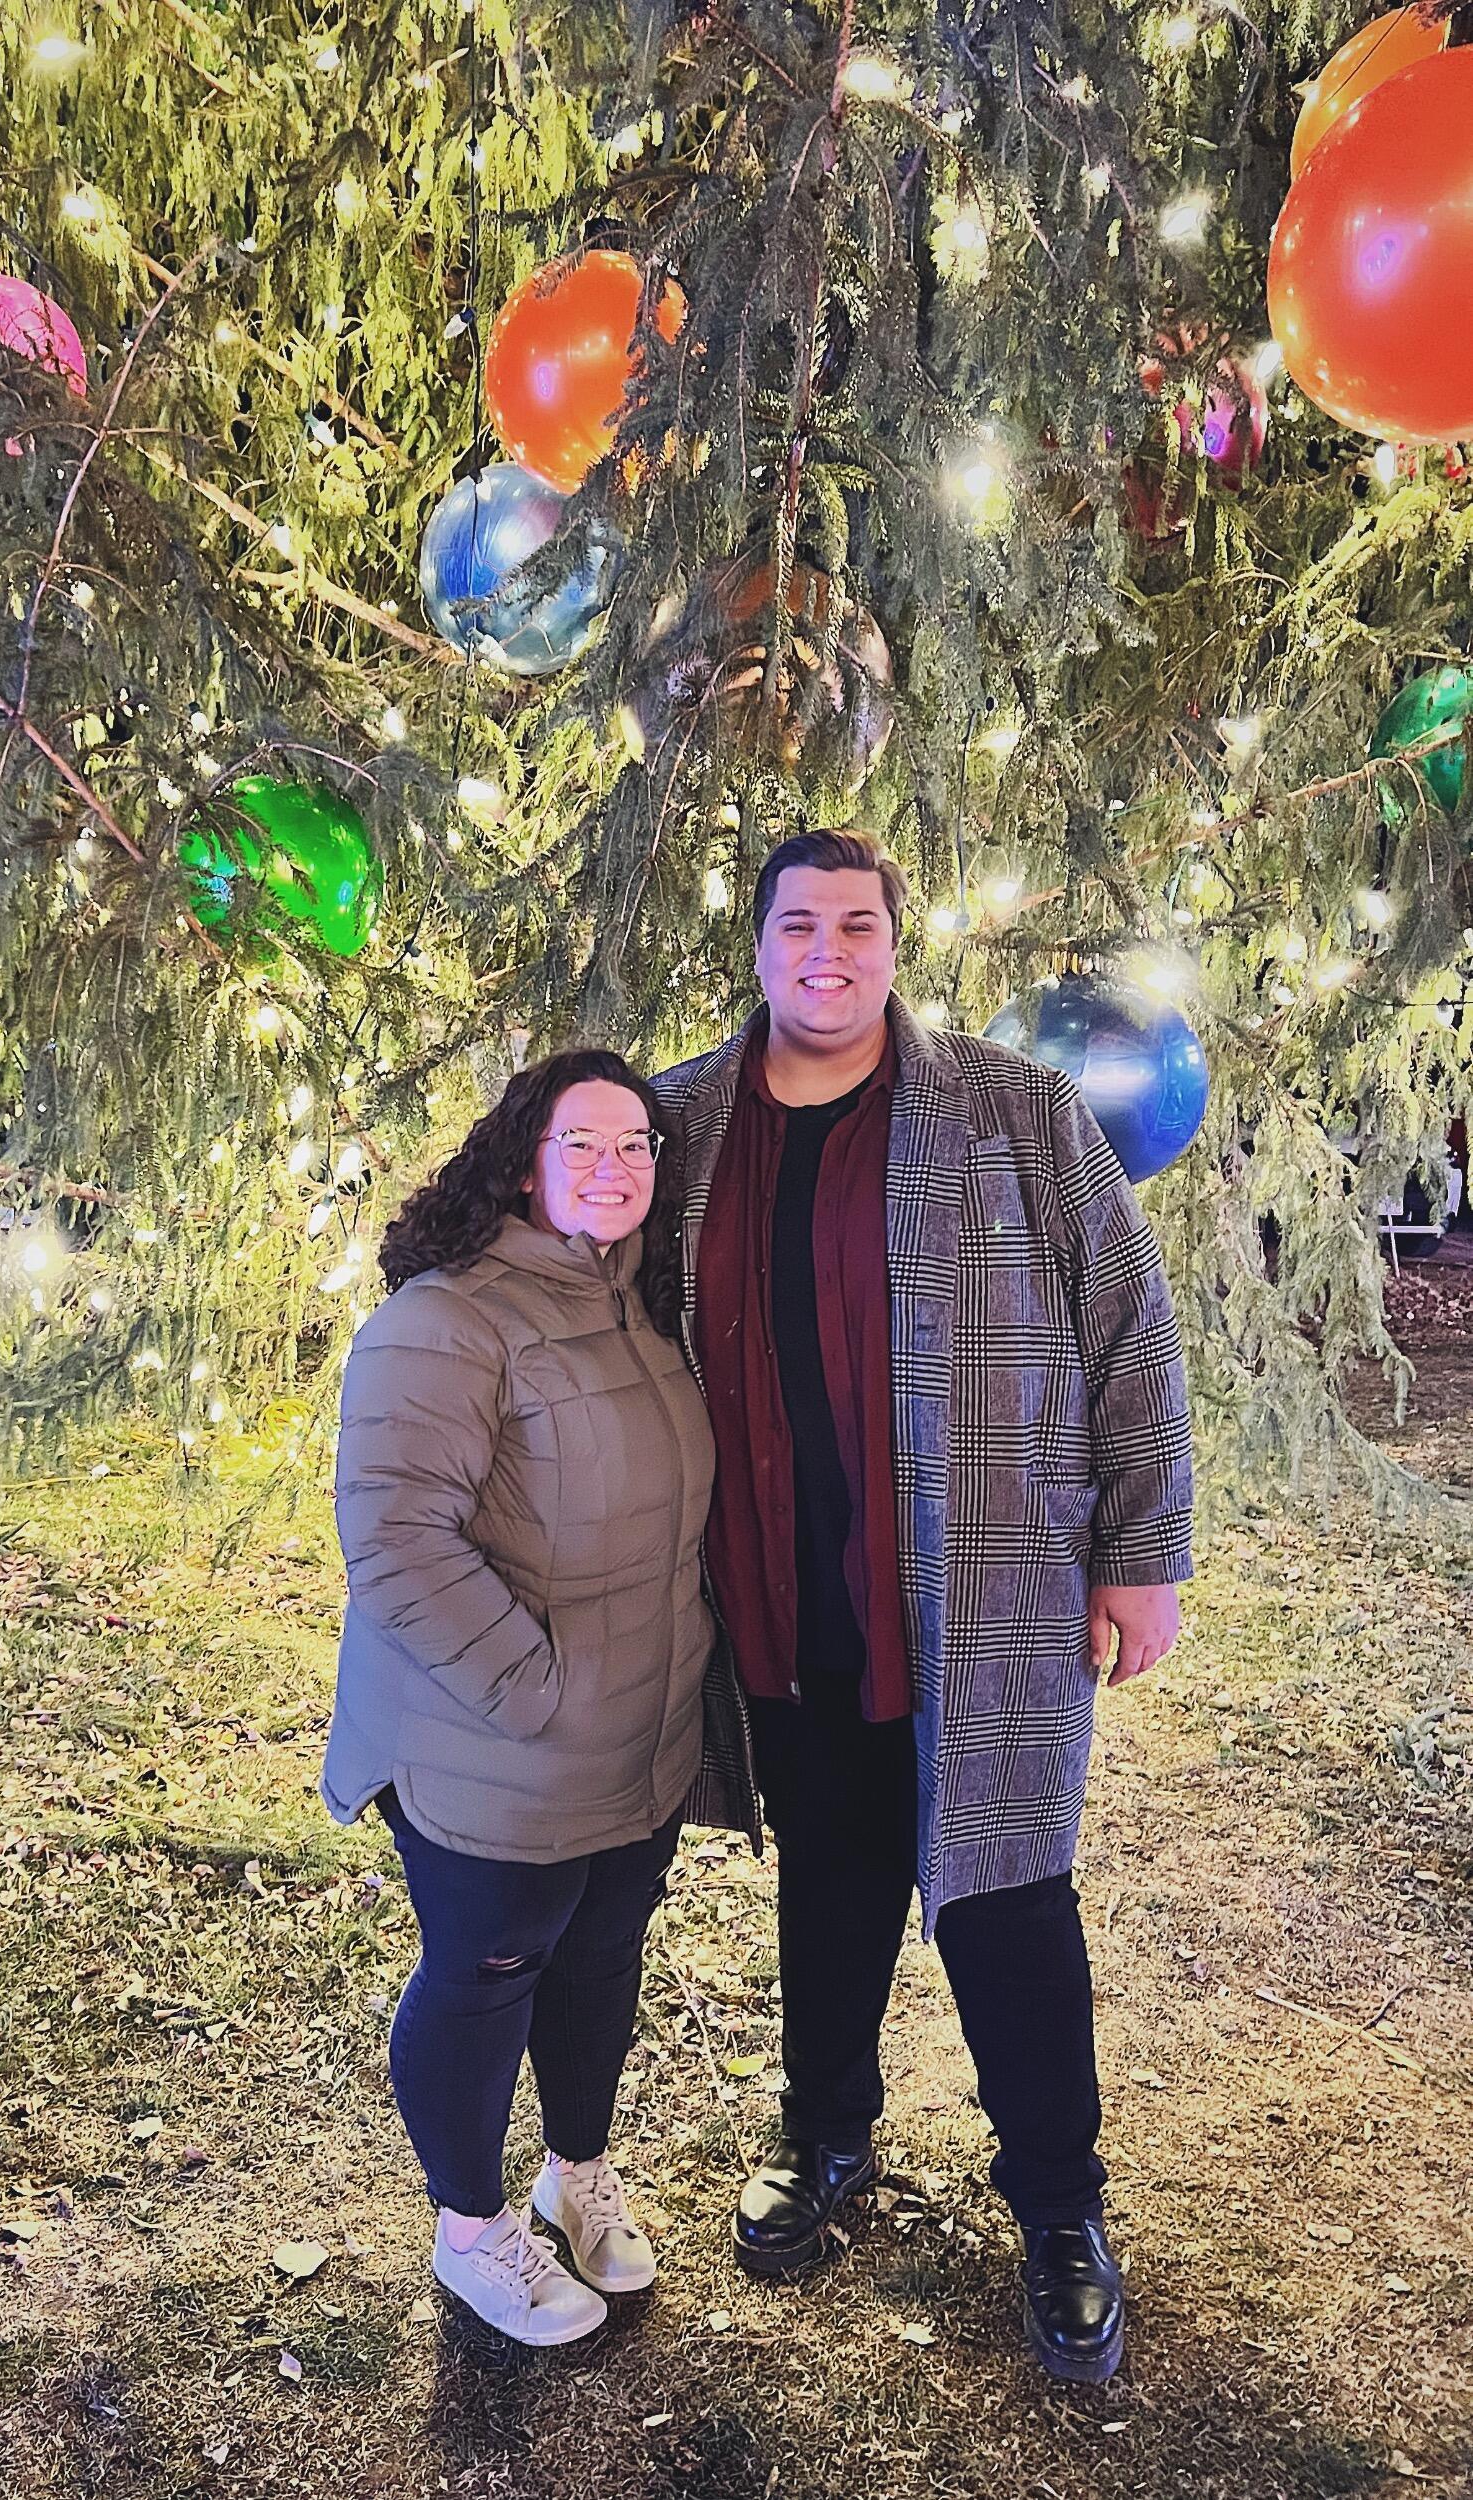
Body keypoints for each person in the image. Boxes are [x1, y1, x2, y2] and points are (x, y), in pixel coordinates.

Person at [656, 828, 1194, 2385]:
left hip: (990, 1587)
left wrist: (1142, 1550)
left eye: (859, 924)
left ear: (899, 944)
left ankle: (1061, 2206)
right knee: (828, 1875)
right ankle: (826, 2138)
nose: (829, 951)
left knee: (1008, 1896)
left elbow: (1129, 1326)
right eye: (798, 924)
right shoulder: (685, 1123)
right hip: (779, 1585)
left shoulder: (1011, 1110)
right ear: (755, 945)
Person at [322, 1049, 716, 2346]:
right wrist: (535, 1693)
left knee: (600, 1956)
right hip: (490, 1739)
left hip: (634, 1735)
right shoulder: (446, 1320)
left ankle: (575, 2176)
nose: (615, 1170)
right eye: (583, 1144)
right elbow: (395, 1543)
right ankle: (470, 2229)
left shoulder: (637, 1310)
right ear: (523, 1159)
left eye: (636, 1147)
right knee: (490, 1968)